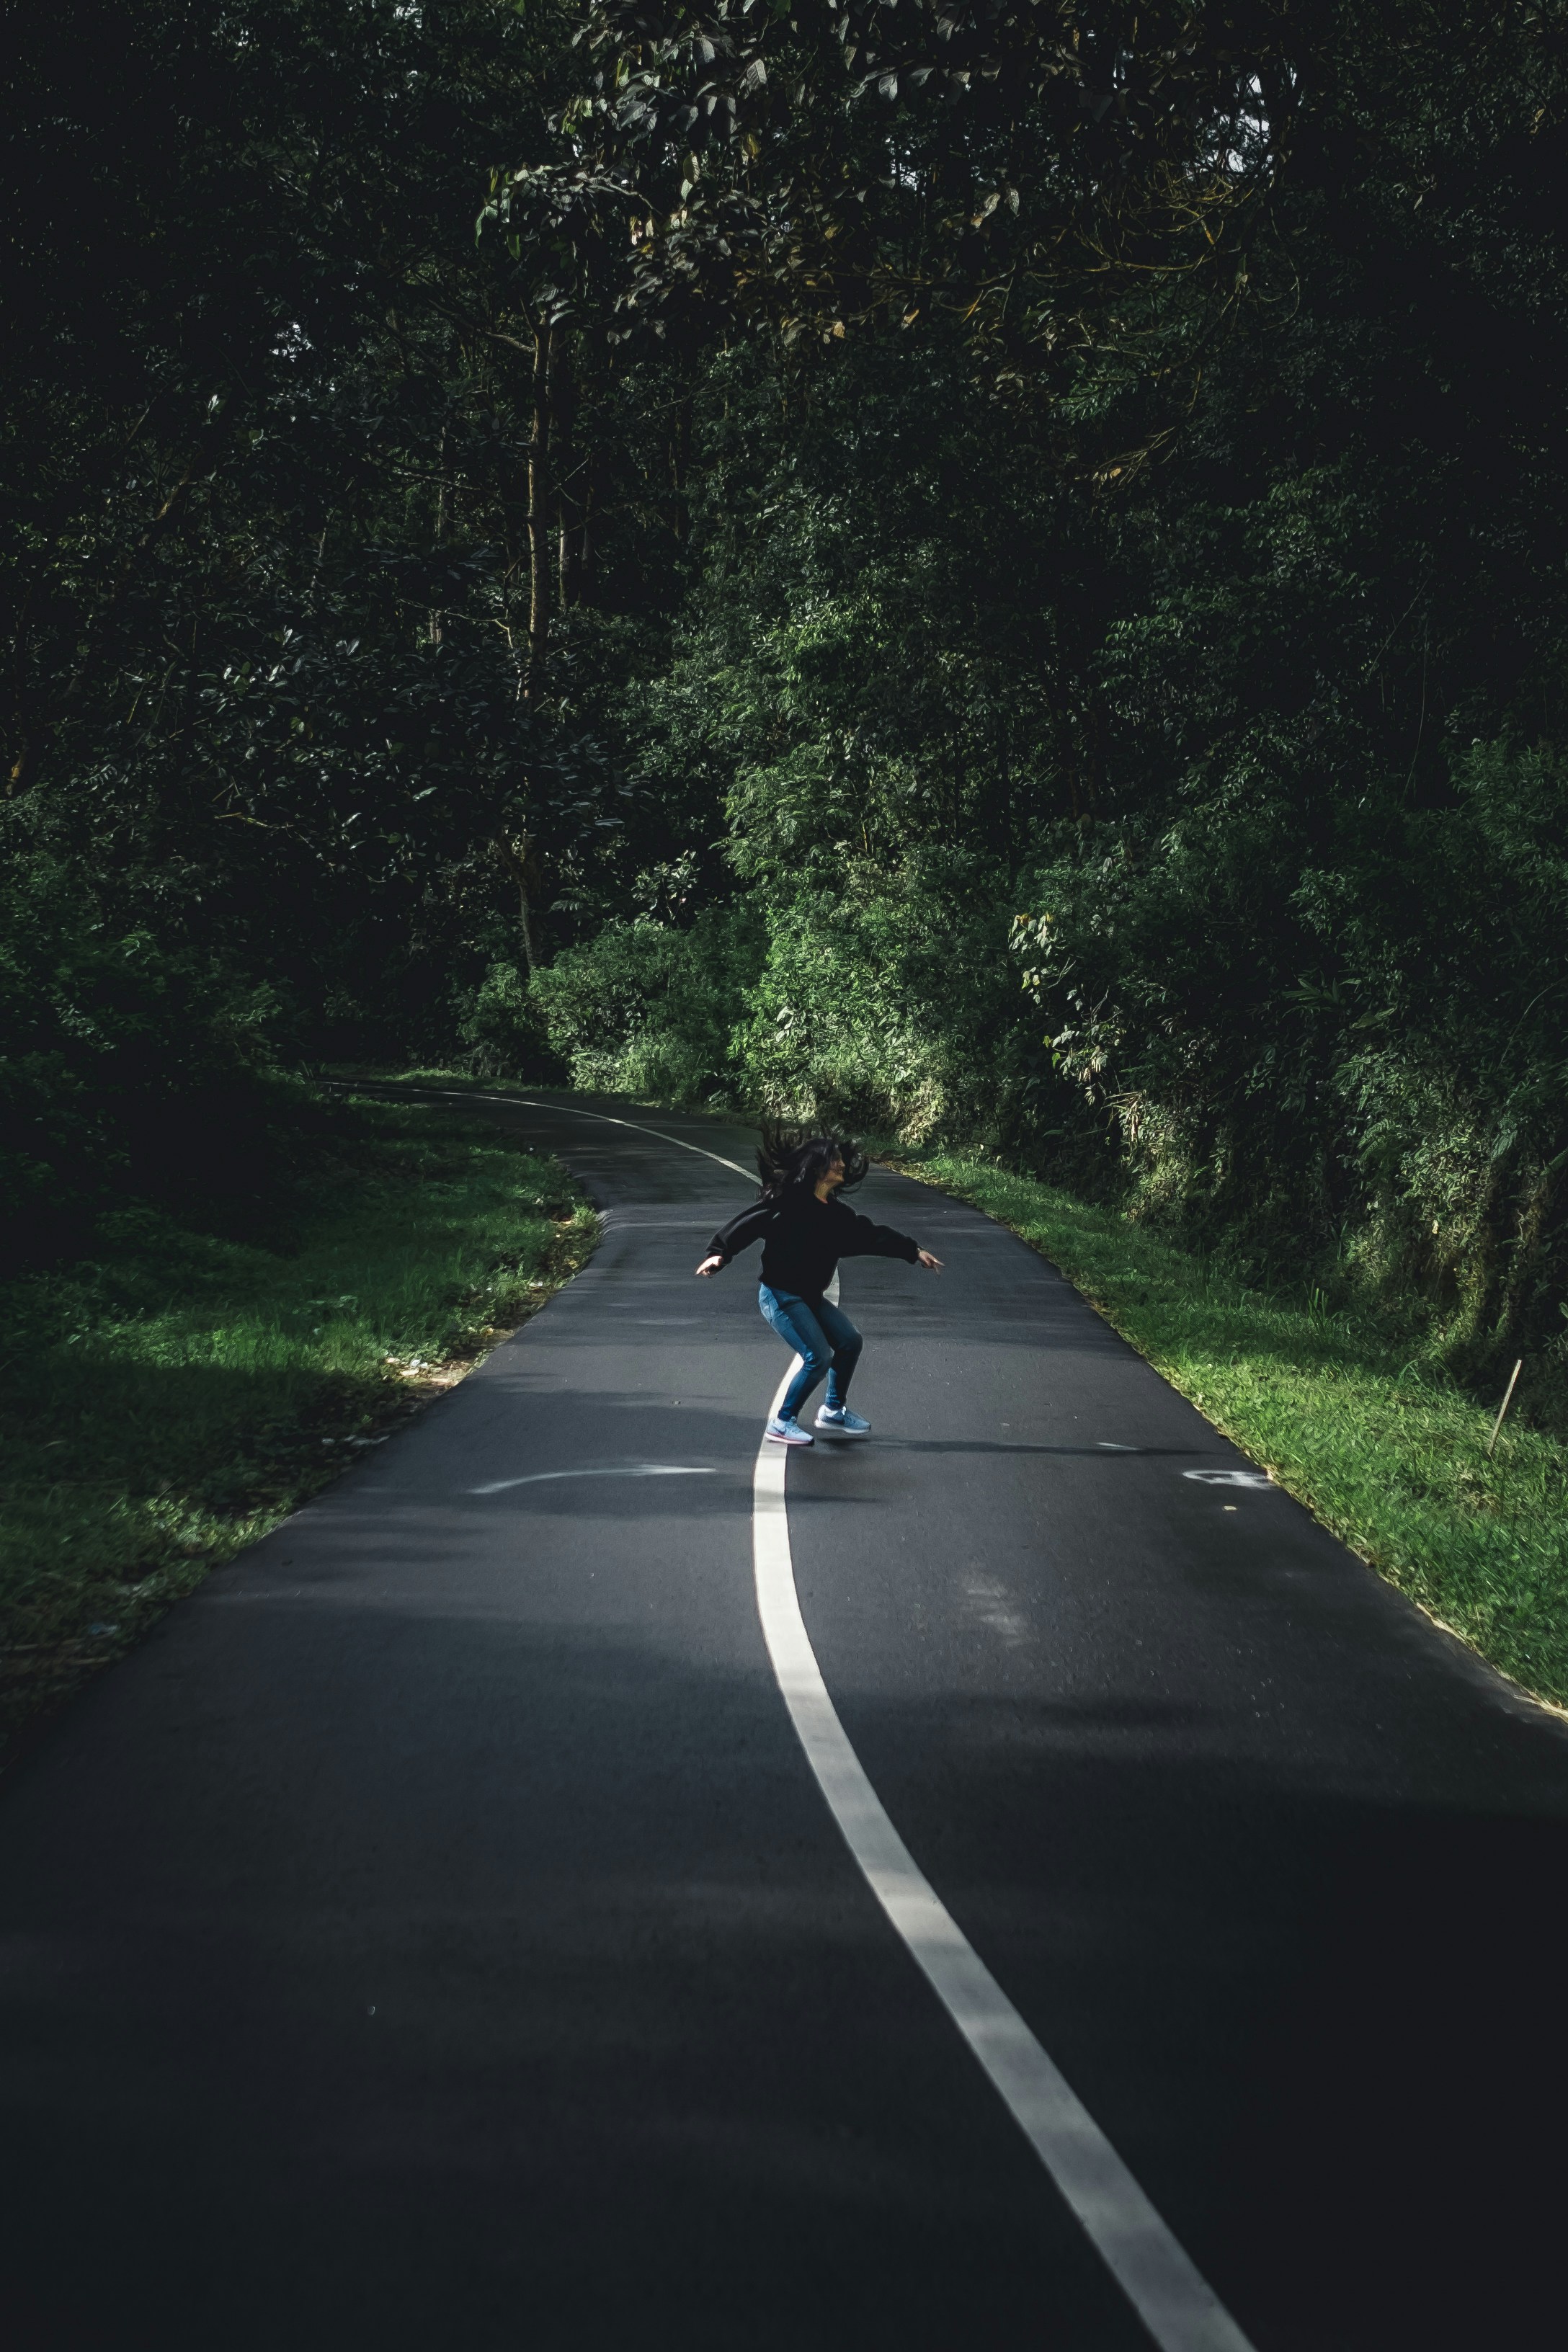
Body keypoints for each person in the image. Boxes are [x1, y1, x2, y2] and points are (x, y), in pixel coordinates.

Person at [695, 1127, 943, 1447]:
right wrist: (720, 1253)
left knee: (850, 1342)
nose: (842, 1165)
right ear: (817, 1167)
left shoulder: (837, 1216)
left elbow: (872, 1236)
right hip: (780, 1296)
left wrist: (913, 1250)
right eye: (835, 1160)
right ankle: (781, 1423)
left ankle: (833, 1411)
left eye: (841, 1160)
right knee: (818, 1356)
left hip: (809, 1297)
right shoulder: (787, 1204)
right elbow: (748, 1223)